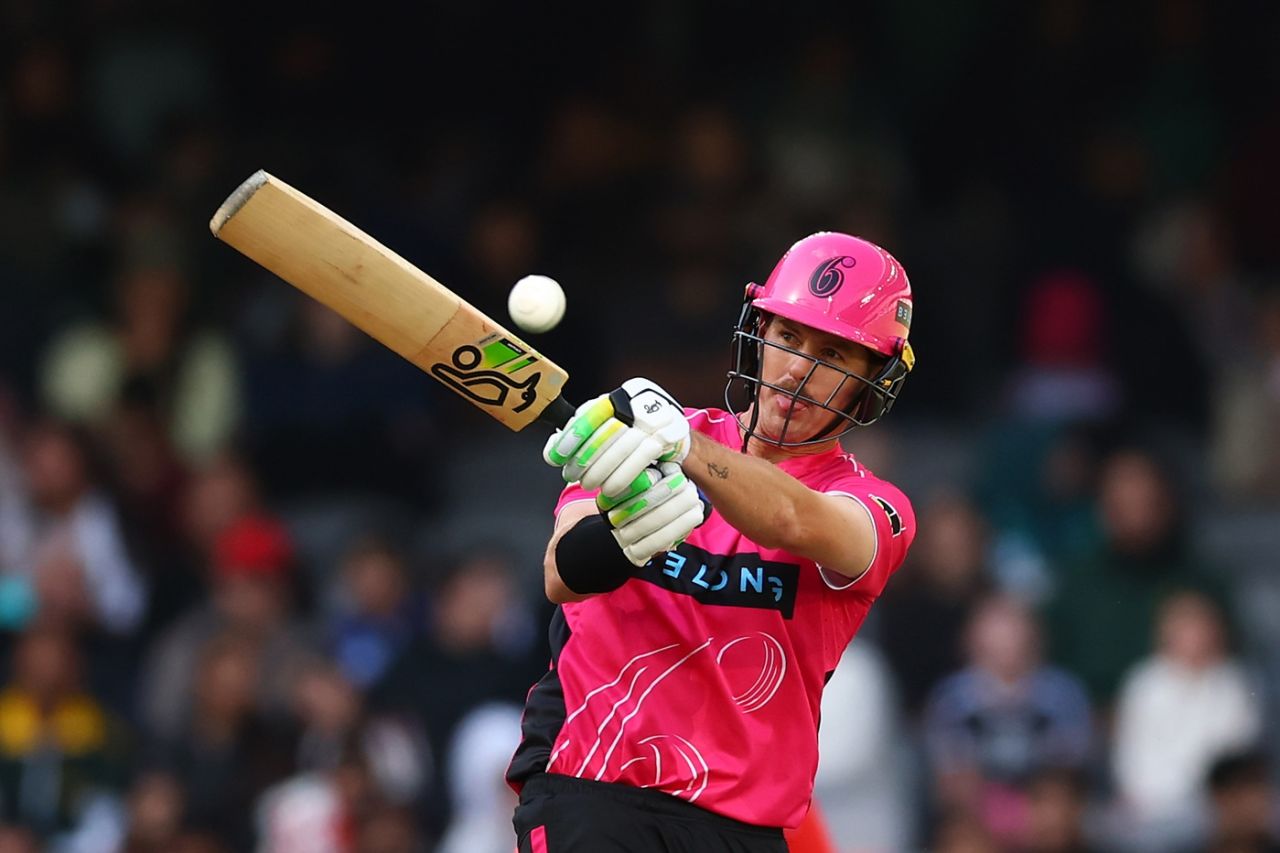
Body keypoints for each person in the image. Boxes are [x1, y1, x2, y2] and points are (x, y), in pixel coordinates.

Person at [506, 232, 919, 852]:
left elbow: (792, 519)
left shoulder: (879, 508)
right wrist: (624, 535)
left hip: (741, 826)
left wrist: (686, 450)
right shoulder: (645, 435)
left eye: (834, 354)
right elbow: (562, 573)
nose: (800, 368)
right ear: (759, 334)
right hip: (593, 788)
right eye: (787, 337)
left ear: (871, 380)